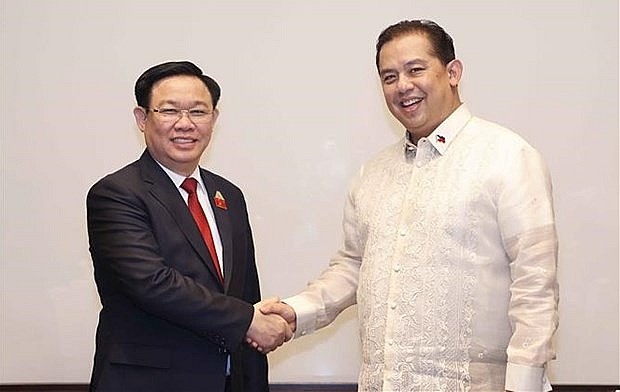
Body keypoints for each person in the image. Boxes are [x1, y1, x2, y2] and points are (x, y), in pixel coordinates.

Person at [259, 20, 559, 391]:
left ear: (453, 72)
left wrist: (524, 386)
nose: (403, 86)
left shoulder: (508, 156)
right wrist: (294, 310)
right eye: (389, 77)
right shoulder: (373, 173)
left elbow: (535, 284)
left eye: (415, 69)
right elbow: (354, 266)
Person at [86, 61, 291, 392]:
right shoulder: (116, 194)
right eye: (169, 111)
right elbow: (153, 283)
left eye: (198, 112)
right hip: (147, 383)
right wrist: (248, 320)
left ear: (214, 119)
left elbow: (244, 292)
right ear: (142, 119)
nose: (185, 124)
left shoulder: (229, 196)